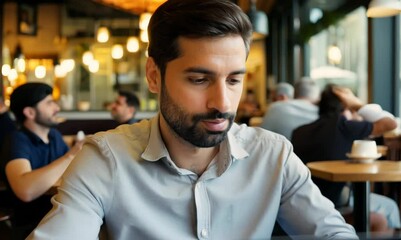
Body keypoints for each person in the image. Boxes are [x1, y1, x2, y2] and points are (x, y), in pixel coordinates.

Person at [28, 1, 357, 239]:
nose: (222, 103)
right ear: (154, 76)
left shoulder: (273, 155)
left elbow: (332, 233)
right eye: (199, 80)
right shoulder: (106, 158)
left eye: (233, 80)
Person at [292, 84, 401, 232]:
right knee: (390, 207)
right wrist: (356, 103)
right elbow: (391, 124)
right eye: (353, 110)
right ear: (345, 108)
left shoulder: (299, 131)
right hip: (333, 204)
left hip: (301, 204)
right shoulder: (343, 126)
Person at [0, 82, 84, 239]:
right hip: (33, 228)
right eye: (49, 103)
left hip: (62, 221)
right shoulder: (17, 140)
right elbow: (25, 190)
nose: (57, 108)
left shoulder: (54, 136)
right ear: (30, 112)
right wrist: (71, 155)